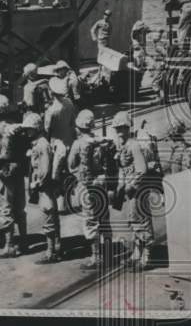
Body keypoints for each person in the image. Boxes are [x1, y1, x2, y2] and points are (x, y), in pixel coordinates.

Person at [67, 110, 113, 270]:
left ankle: (96, 257)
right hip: (102, 181)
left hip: (88, 184)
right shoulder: (100, 140)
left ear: (78, 127)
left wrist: (79, 175)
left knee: (91, 219)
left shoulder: (78, 143)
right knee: (104, 217)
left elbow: (71, 164)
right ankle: (108, 254)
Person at [112, 112, 155, 269]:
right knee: (133, 221)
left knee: (142, 221)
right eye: (117, 129)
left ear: (127, 128)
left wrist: (130, 185)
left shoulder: (134, 145)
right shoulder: (122, 146)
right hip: (130, 190)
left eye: (121, 128)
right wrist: (121, 186)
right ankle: (137, 253)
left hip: (139, 189)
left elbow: (142, 170)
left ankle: (147, 256)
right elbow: (123, 169)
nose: (118, 132)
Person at [0, 97, 30, 258]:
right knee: (19, 205)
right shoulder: (15, 125)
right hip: (18, 169)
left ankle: (9, 245)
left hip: (4, 171)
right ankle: (24, 241)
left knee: (5, 206)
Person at [27, 111, 68, 263]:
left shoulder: (41, 145)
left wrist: (37, 183)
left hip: (45, 187)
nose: (27, 131)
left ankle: (51, 252)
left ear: (36, 128)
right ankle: (57, 247)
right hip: (45, 186)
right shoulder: (40, 143)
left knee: (48, 214)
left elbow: (44, 168)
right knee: (51, 215)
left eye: (29, 129)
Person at [45, 75, 78, 147]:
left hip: (56, 143)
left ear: (51, 92)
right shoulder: (69, 102)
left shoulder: (51, 110)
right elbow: (73, 122)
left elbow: (47, 130)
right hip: (69, 140)